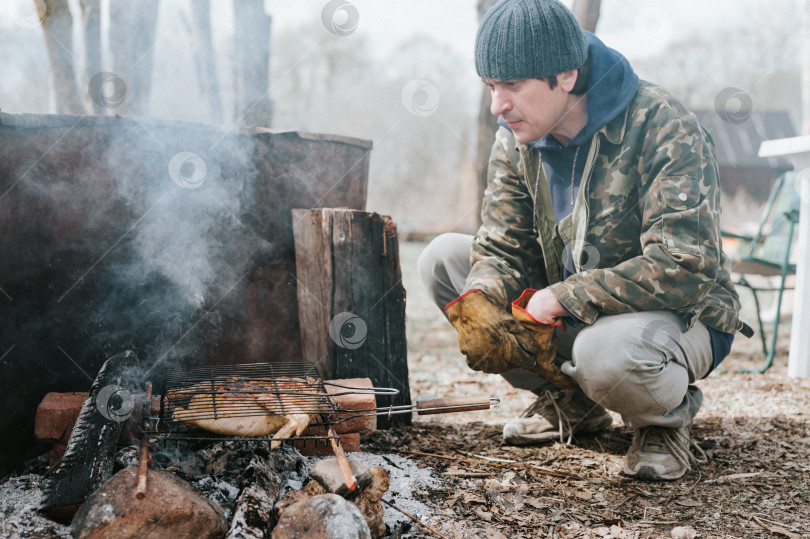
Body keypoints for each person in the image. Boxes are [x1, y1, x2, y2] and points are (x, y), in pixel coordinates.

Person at [417, 0, 751, 481]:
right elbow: (501, 243)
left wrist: (563, 296)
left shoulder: (663, 125)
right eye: (491, 86)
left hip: (684, 315)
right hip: (580, 313)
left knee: (606, 354)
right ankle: (570, 401)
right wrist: (483, 302)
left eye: (512, 85)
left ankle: (663, 420)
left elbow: (684, 264)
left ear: (566, 75)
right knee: (445, 260)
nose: (498, 104)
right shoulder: (515, 139)